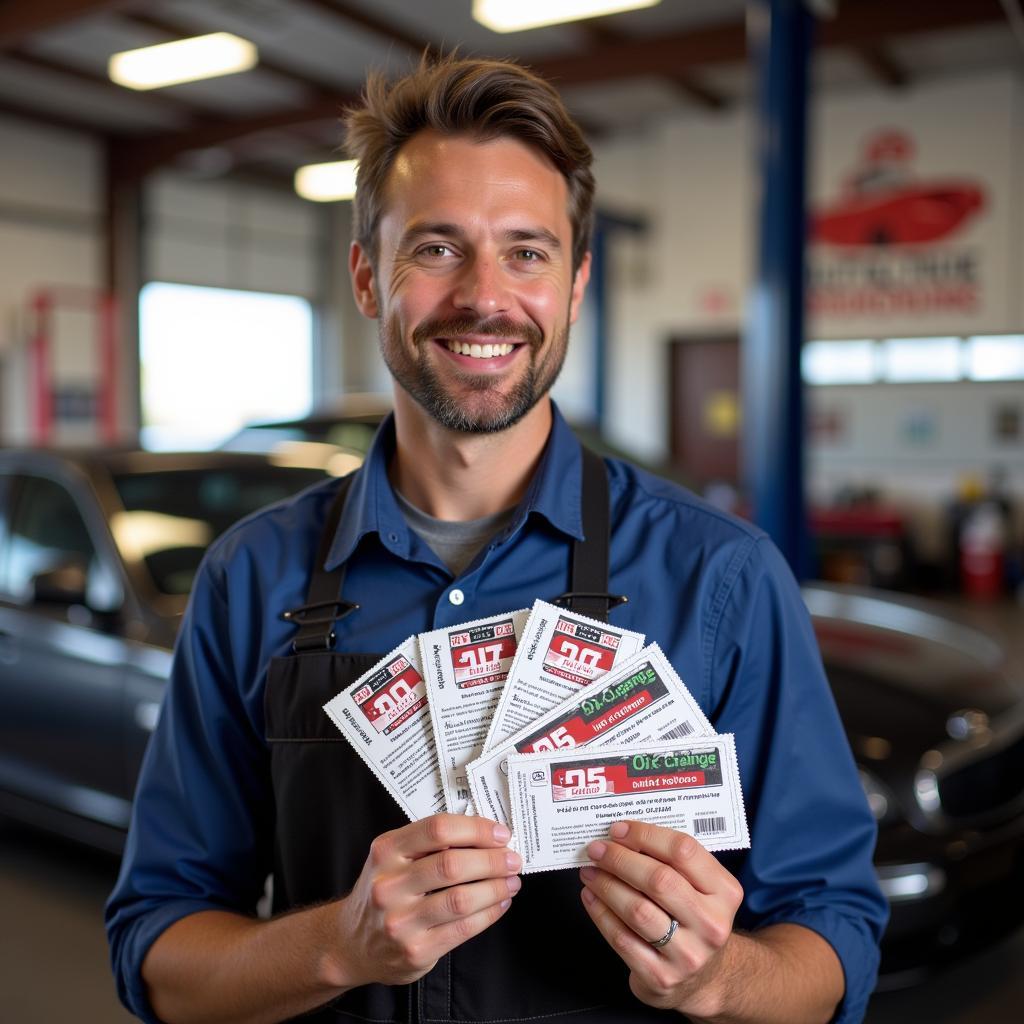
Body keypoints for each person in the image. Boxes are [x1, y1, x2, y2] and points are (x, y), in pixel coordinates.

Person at [107, 54, 887, 1024]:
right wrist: (336, 944)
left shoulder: (719, 575)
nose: (484, 295)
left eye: (526, 251)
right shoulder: (249, 575)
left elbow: (834, 933)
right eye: (436, 247)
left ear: (575, 285)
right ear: (364, 274)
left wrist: (720, 975)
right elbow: (159, 953)